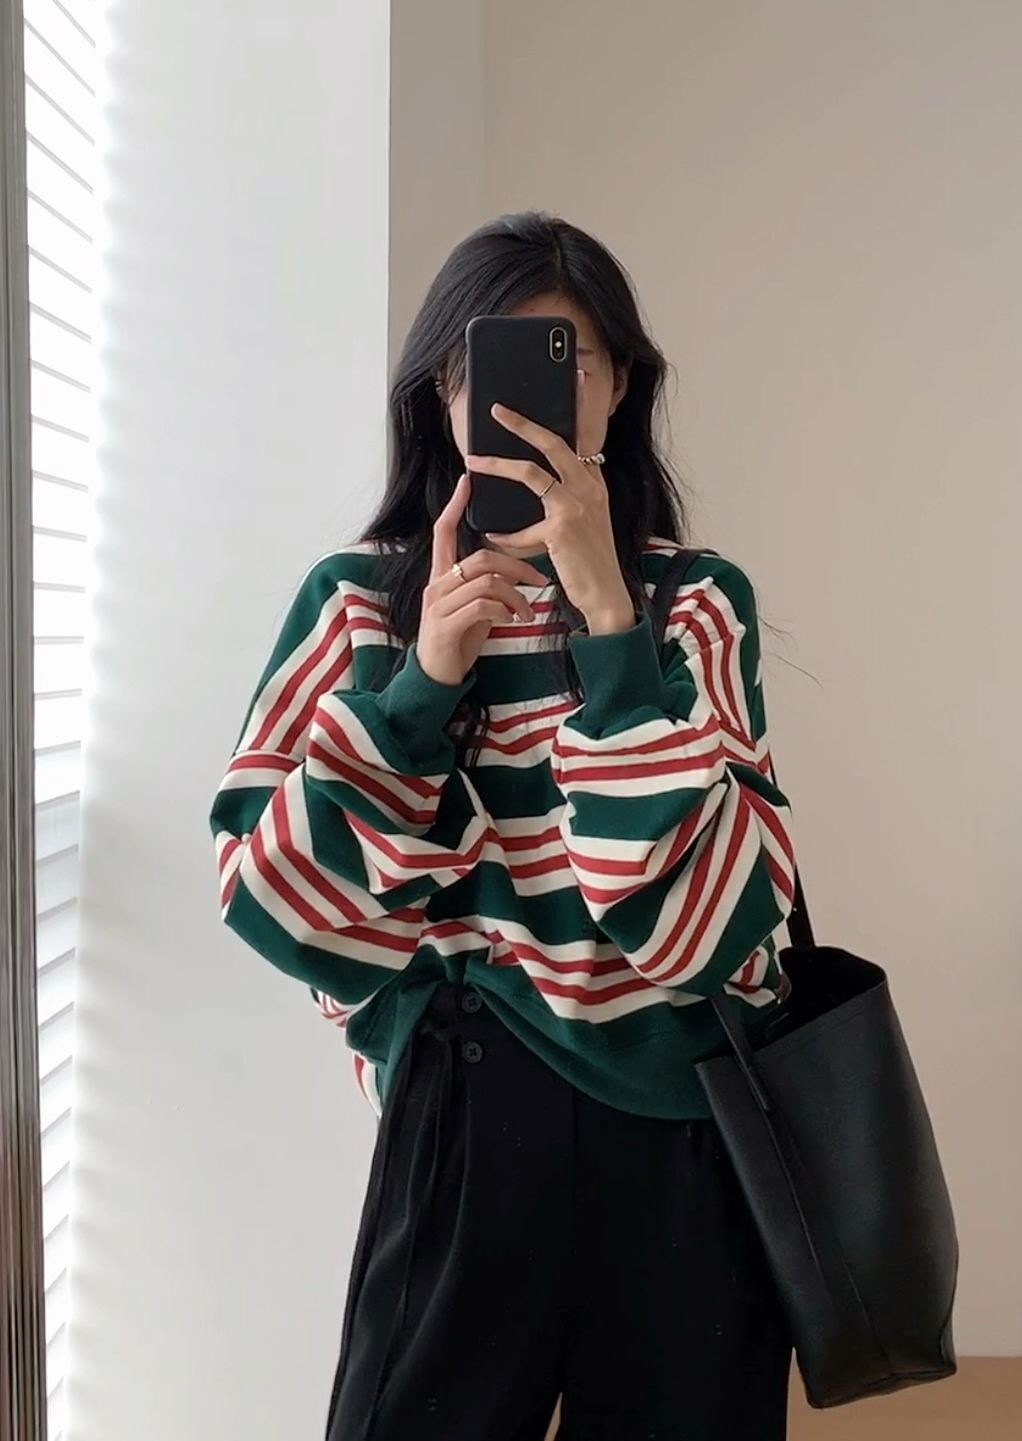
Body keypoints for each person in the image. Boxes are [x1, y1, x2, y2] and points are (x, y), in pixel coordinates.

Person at [208, 211, 797, 1441]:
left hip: (685, 1126)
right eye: (500, 360)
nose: (542, 394)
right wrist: (420, 684)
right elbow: (273, 900)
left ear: (620, 387)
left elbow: (713, 930)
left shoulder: (695, 604)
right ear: (445, 389)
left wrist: (611, 625)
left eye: (572, 359)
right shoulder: (358, 605)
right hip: (463, 1121)